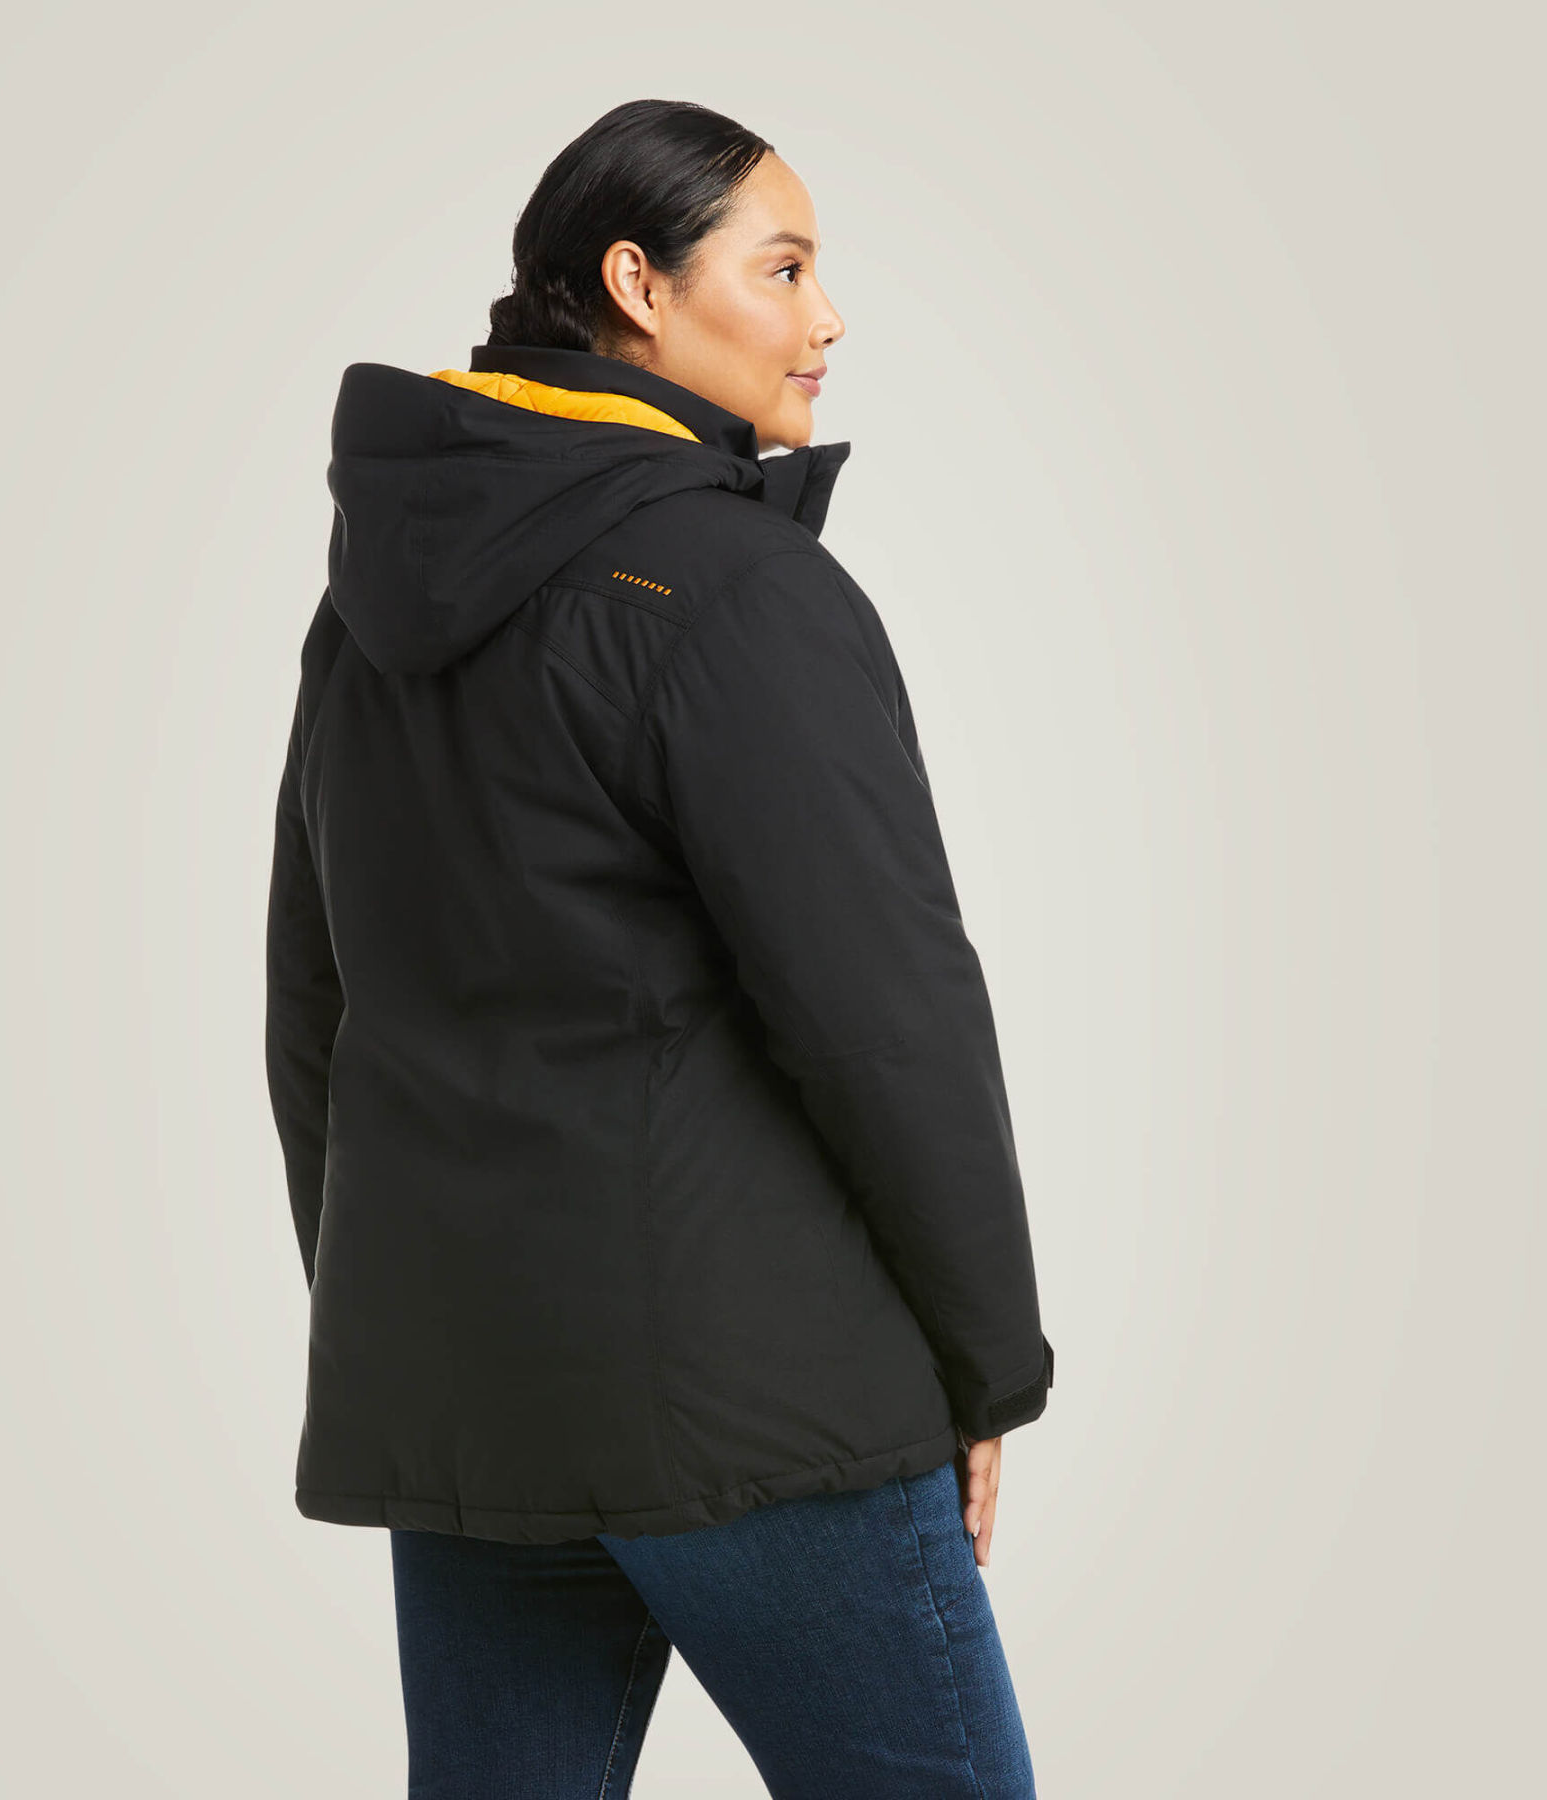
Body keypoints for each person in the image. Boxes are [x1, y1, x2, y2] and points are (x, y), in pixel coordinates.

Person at [265, 97, 1054, 1799]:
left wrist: (408, 1315)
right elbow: (887, 1017)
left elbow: (316, 999)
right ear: (639, 283)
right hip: (762, 1409)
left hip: (475, 1400)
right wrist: (991, 1362)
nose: (827, 318)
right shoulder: (741, 590)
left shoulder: (366, 609)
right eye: (783, 269)